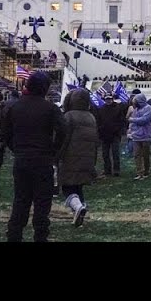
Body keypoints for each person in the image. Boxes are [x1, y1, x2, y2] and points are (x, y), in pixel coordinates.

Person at [4, 71, 66, 243]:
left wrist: (17, 149)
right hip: (43, 159)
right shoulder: (50, 108)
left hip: (22, 159)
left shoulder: (15, 107)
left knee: (21, 200)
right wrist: (53, 151)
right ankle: (40, 236)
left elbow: (6, 133)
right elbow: (63, 131)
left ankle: (14, 235)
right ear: (45, 89)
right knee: (42, 202)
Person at [58, 89, 98, 227]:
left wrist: (57, 156)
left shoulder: (69, 116)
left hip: (70, 157)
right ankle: (80, 214)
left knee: (67, 188)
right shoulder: (91, 117)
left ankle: (77, 208)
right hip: (87, 158)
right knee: (79, 187)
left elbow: (64, 139)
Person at [96, 93, 126, 177]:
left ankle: (116, 170)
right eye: (107, 99)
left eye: (109, 99)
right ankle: (107, 170)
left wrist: (118, 131)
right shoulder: (101, 109)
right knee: (105, 154)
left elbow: (121, 121)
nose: (108, 100)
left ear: (112, 99)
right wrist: (100, 131)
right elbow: (98, 121)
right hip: (104, 135)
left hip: (115, 135)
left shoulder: (118, 109)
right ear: (104, 100)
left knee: (115, 153)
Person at [129, 93, 151, 180]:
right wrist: (131, 130)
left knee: (145, 155)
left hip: (146, 135)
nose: (134, 103)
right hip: (136, 136)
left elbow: (144, 120)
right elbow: (132, 123)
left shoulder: (148, 108)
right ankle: (139, 172)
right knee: (137, 155)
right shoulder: (136, 110)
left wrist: (132, 120)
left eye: (135, 101)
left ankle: (146, 171)